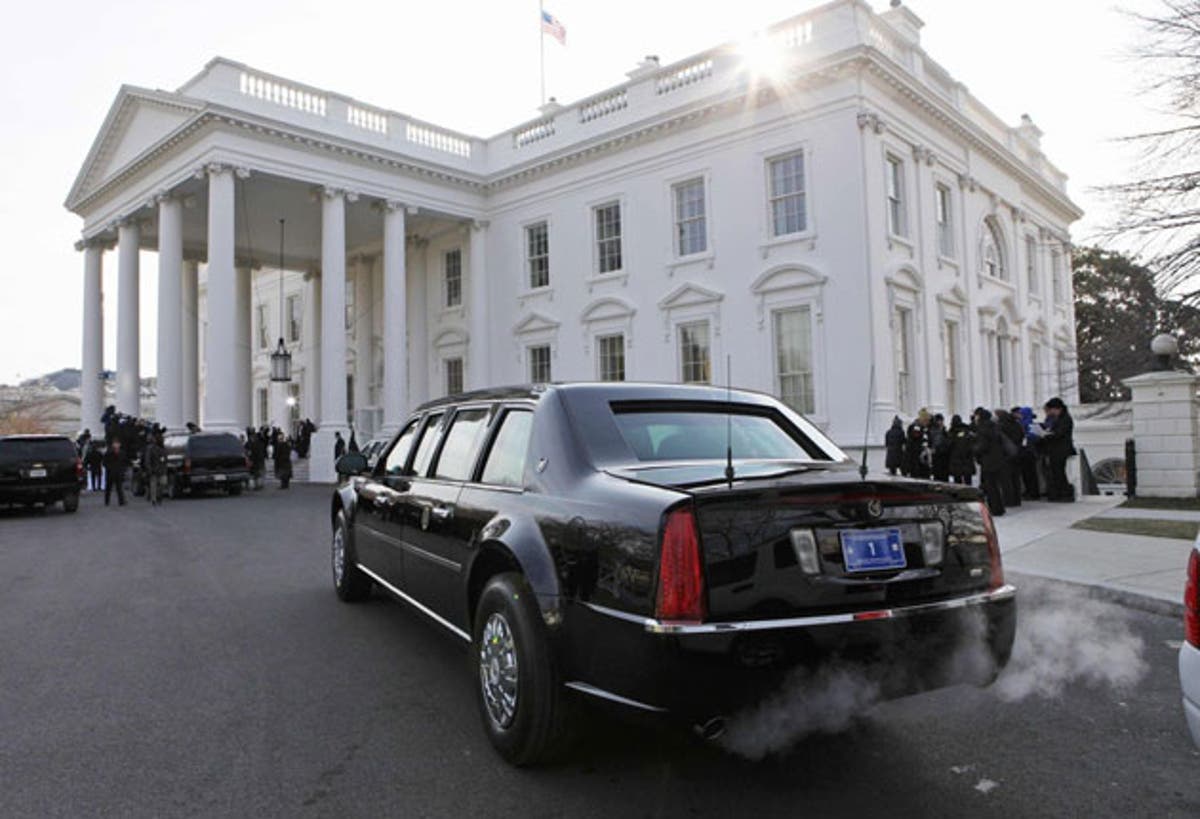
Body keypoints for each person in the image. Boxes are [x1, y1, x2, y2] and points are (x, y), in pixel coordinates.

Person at [972, 407, 1006, 516]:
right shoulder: (994, 426)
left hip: (988, 460)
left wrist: (973, 449)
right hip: (998, 459)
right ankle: (999, 507)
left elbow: (983, 446)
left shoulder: (983, 428)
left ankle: (995, 508)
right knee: (995, 485)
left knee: (990, 486)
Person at [1041, 397, 1076, 502]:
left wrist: (1047, 435)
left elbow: (1059, 434)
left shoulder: (1065, 419)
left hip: (1060, 449)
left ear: (1057, 409)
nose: (1050, 412)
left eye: (1052, 410)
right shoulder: (1060, 418)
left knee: (1059, 472)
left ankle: (1064, 493)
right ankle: (1061, 492)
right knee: (1057, 472)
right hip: (1056, 449)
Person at [996, 409, 1024, 508]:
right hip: (1017, 453)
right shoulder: (1017, 424)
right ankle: (1017, 499)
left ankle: (1009, 500)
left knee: (1006, 479)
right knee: (1016, 478)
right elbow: (1022, 436)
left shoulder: (1000, 425)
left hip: (1005, 455)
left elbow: (999, 440)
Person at [904, 409, 932, 480]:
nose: (927, 422)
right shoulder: (916, 428)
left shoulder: (925, 429)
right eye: (926, 420)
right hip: (916, 460)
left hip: (924, 460)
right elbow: (913, 444)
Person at [948, 415, 976, 485]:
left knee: (957, 482)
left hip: (956, 459)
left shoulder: (952, 432)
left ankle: (960, 495)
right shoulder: (968, 430)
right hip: (967, 459)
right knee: (968, 481)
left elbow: (949, 445)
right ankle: (970, 494)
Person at [102, 439, 128, 507]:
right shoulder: (108, 453)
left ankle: (121, 501)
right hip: (110, 473)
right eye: (115, 443)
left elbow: (124, 462)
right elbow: (104, 462)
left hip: (119, 472)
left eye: (117, 443)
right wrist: (109, 468)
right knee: (108, 488)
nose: (116, 445)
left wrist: (123, 469)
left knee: (119, 488)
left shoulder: (122, 453)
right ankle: (107, 501)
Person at [143, 434, 166, 507]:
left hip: (161, 470)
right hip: (154, 470)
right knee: (153, 485)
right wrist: (149, 469)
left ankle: (158, 496)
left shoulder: (162, 449)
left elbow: (165, 460)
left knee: (163, 483)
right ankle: (154, 499)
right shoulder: (151, 448)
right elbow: (148, 460)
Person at [929, 413, 951, 483]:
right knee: (939, 476)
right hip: (938, 455)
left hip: (943, 456)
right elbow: (937, 442)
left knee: (943, 475)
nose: (941, 422)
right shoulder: (935, 430)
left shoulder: (943, 430)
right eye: (940, 421)